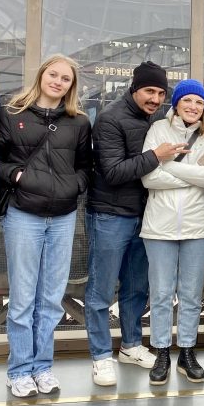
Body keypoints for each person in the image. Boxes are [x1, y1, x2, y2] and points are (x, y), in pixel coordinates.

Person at [0, 54, 92, 398]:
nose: (58, 82)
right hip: (23, 214)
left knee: (51, 297)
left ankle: (42, 367)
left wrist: (73, 187)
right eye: (53, 75)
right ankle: (19, 369)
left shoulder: (78, 122)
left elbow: (85, 166)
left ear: (71, 86)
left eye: (66, 79)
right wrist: (18, 175)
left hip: (63, 216)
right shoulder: (12, 114)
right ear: (41, 75)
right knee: (22, 297)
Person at [84, 61, 180, 386]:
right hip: (110, 214)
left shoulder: (160, 120)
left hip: (145, 216)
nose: (155, 98)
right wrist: (156, 155)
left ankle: (130, 345)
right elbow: (113, 172)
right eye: (149, 91)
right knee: (100, 290)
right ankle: (100, 356)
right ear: (135, 89)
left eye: (160, 93)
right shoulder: (111, 119)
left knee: (138, 285)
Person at [140, 79, 204, 386]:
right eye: (187, 100)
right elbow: (148, 178)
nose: (193, 107)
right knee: (161, 293)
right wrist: (193, 175)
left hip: (197, 226)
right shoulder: (158, 130)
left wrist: (169, 166)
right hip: (159, 226)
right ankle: (161, 350)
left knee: (190, 294)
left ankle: (187, 350)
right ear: (176, 103)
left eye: (199, 102)